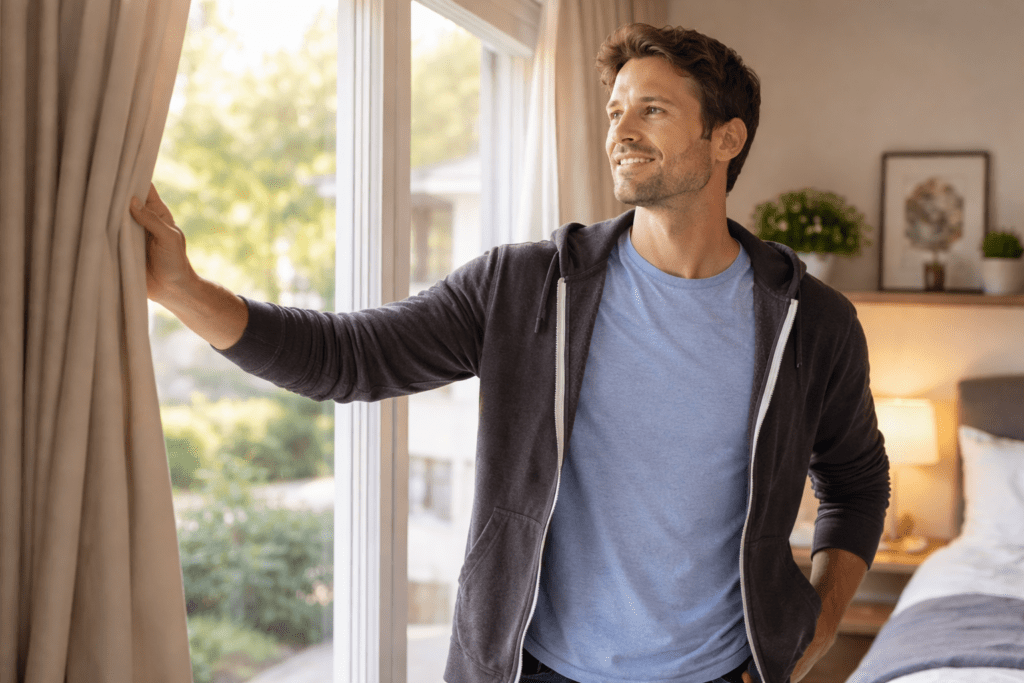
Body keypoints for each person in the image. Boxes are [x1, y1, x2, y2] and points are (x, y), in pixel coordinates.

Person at [131, 22, 889, 683]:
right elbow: (348, 357)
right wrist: (183, 289)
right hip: (533, 670)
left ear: (727, 138)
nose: (621, 131)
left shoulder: (809, 322)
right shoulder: (527, 286)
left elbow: (855, 482)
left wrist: (823, 615)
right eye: (616, 110)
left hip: (721, 672)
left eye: (652, 111)